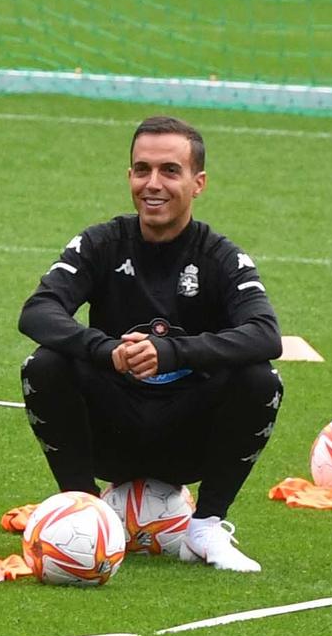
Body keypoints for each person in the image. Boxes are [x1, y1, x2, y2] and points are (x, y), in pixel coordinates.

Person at [17, 115, 283, 572]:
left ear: (198, 183)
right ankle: (82, 511)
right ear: (129, 177)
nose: (152, 184)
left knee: (261, 379)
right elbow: (38, 311)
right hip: (113, 430)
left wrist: (172, 354)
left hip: (186, 438)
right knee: (44, 364)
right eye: (142, 170)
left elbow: (265, 333)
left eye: (169, 171)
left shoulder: (220, 257)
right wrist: (107, 350)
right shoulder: (101, 243)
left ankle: (206, 527)